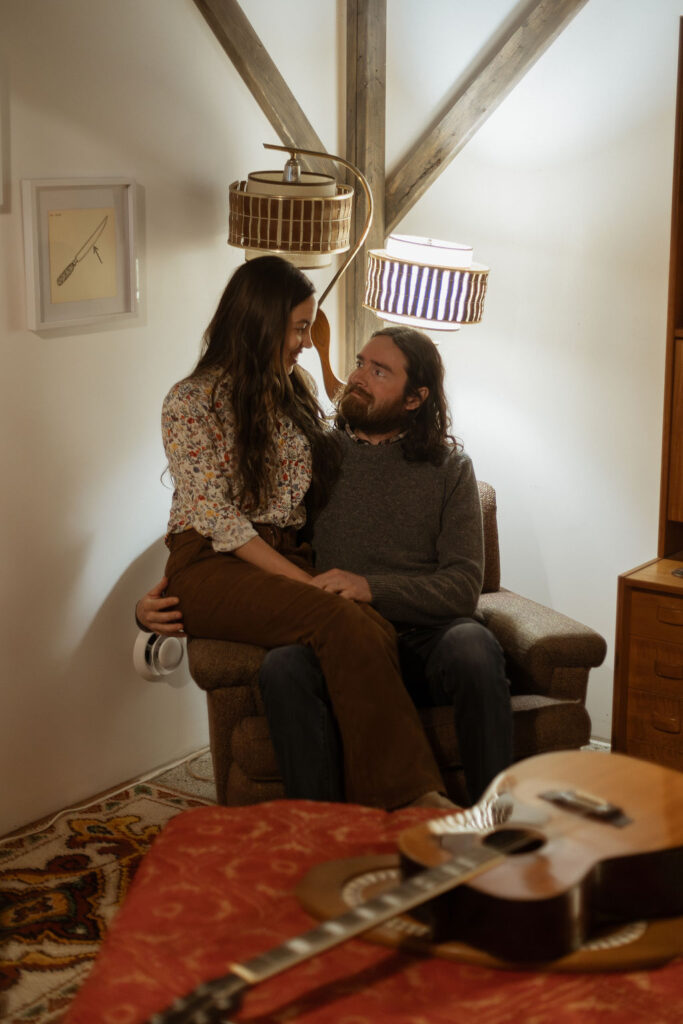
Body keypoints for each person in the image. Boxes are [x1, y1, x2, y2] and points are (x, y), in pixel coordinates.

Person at [140, 311, 513, 807]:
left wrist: (370, 586)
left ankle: (493, 818)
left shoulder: (451, 470)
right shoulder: (312, 456)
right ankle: (318, 828)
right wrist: (151, 609)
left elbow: (463, 587)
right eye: (360, 363)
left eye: (379, 372)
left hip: (427, 639)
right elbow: (229, 528)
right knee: (282, 670)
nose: (358, 377)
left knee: (475, 647)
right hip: (332, 632)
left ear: (415, 397)